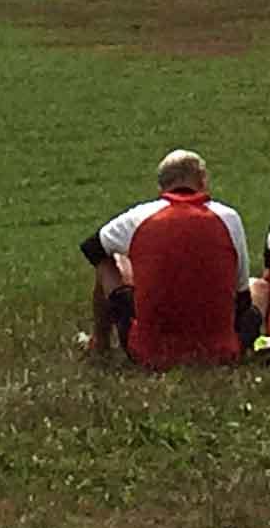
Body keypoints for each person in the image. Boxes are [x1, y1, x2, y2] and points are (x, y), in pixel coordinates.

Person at [80, 149, 255, 369]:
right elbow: (243, 296)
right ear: (202, 181)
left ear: (161, 186)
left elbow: (91, 247)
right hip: (220, 351)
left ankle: (100, 343)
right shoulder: (229, 217)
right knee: (259, 286)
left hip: (150, 353)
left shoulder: (139, 217)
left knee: (110, 257)